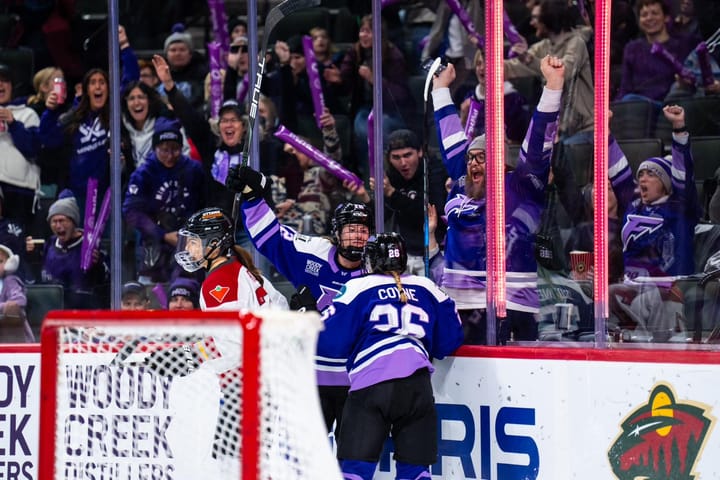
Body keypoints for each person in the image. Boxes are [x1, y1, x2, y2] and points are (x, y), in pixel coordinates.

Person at [225, 162, 374, 434]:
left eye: (363, 231)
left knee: (351, 466)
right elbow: (272, 238)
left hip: (360, 380)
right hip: (311, 378)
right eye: (350, 230)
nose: (357, 237)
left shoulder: (379, 269)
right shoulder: (313, 253)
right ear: (336, 234)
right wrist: (252, 197)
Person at [431, 54, 565, 344]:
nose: (473, 164)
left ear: (502, 163)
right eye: (471, 159)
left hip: (511, 305)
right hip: (458, 305)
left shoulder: (519, 186)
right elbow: (450, 139)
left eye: (482, 158)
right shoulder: (462, 184)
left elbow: (538, 146)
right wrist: (440, 89)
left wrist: (553, 87)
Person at [317, 232, 464, 480]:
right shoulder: (427, 287)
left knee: (354, 472)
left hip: (371, 388)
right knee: (416, 473)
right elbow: (450, 339)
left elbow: (328, 341)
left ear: (370, 260)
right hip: (417, 389)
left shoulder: (357, 287)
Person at [609, 104, 699, 341]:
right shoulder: (633, 203)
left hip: (667, 291)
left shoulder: (680, 206)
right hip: (631, 289)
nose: (643, 178)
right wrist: (604, 131)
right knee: (603, 297)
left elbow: (683, 172)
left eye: (651, 174)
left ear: (667, 182)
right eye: (640, 174)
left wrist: (679, 128)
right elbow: (617, 168)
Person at [122, 121, 207, 284]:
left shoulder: (194, 170)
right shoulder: (144, 173)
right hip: (152, 247)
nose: (170, 156)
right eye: (164, 150)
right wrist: (162, 235)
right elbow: (130, 211)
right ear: (155, 148)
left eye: (175, 150)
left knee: (187, 294)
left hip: (189, 246)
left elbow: (204, 204)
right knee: (151, 297)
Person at [505, 0, 593, 144]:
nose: (531, 23)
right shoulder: (543, 47)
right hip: (562, 131)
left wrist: (528, 59)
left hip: (585, 129)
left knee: (562, 152)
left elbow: (563, 71)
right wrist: (488, 62)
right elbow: (515, 66)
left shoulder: (577, 43)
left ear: (549, 19)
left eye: (535, 18)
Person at [338, 14, 413, 178]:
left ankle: (387, 175)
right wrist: (338, 78)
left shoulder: (393, 55)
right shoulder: (356, 52)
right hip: (366, 107)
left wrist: (375, 80)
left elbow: (401, 94)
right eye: (362, 31)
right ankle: (370, 176)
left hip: (392, 109)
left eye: (368, 31)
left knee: (379, 129)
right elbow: (344, 84)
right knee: (363, 129)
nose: (363, 35)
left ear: (379, 34)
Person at [174, 207, 288, 311]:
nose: (187, 248)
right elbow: (281, 303)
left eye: (193, 243)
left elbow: (229, 332)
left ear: (214, 244)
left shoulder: (217, 282)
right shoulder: (238, 269)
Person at [369, 128, 448, 275]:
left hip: (435, 252)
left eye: (407, 155)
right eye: (396, 157)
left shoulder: (434, 172)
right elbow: (380, 218)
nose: (403, 163)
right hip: (405, 254)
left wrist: (392, 194)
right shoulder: (391, 176)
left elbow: (430, 214)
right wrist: (368, 197)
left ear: (419, 152)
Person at [38, 68, 110, 214]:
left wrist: (125, 47)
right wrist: (50, 112)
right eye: (93, 83)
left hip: (107, 193)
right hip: (77, 192)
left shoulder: (116, 116)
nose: (98, 87)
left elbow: (130, 79)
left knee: (107, 237)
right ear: (86, 90)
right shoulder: (72, 117)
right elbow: (48, 139)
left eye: (102, 82)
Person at [26, 190, 109, 309]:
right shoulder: (49, 244)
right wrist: (30, 255)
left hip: (83, 313)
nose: (58, 226)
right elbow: (38, 279)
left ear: (73, 222)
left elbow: (105, 283)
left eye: (62, 220)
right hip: (53, 310)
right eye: (54, 221)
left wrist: (98, 264)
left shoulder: (91, 245)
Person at [616, 0, 696, 105]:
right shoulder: (632, 49)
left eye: (655, 13)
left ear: (666, 17)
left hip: (671, 106)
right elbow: (625, 88)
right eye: (644, 15)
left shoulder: (682, 45)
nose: (649, 18)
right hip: (638, 108)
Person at [0, 62, 42, 232]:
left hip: (20, 192)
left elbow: (33, 149)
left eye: (4, 81)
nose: (0, 85)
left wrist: (13, 123)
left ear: (12, 86)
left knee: (17, 247)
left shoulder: (27, 114)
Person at [463, 49, 530, 144]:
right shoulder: (470, 97)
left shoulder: (515, 100)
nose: (482, 68)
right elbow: (464, 139)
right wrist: (463, 119)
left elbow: (522, 140)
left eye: (487, 64)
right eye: (478, 64)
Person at [163, 23, 209, 114]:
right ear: (166, 54)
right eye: (173, 50)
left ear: (190, 54)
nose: (177, 53)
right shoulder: (159, 75)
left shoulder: (202, 75)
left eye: (182, 50)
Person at [0, 243, 32, 342]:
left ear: (9, 264)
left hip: (14, 338)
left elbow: (19, 301)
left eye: (0, 261)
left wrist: (4, 307)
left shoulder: (10, 281)